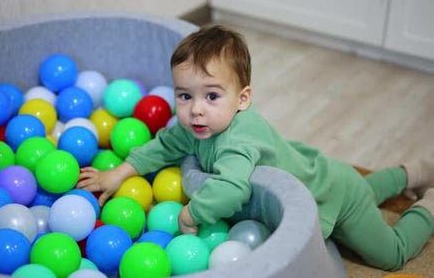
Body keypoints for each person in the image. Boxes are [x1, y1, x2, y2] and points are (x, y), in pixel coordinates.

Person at [77, 24, 434, 271]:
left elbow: (233, 189)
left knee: (390, 254)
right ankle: (410, 172)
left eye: (212, 95)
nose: (196, 108)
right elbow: (166, 144)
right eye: (185, 95)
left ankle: (428, 206)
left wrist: (190, 215)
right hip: (326, 175)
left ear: (243, 98)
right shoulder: (200, 124)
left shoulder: (236, 142)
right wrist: (120, 172)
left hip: (334, 196)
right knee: (366, 187)